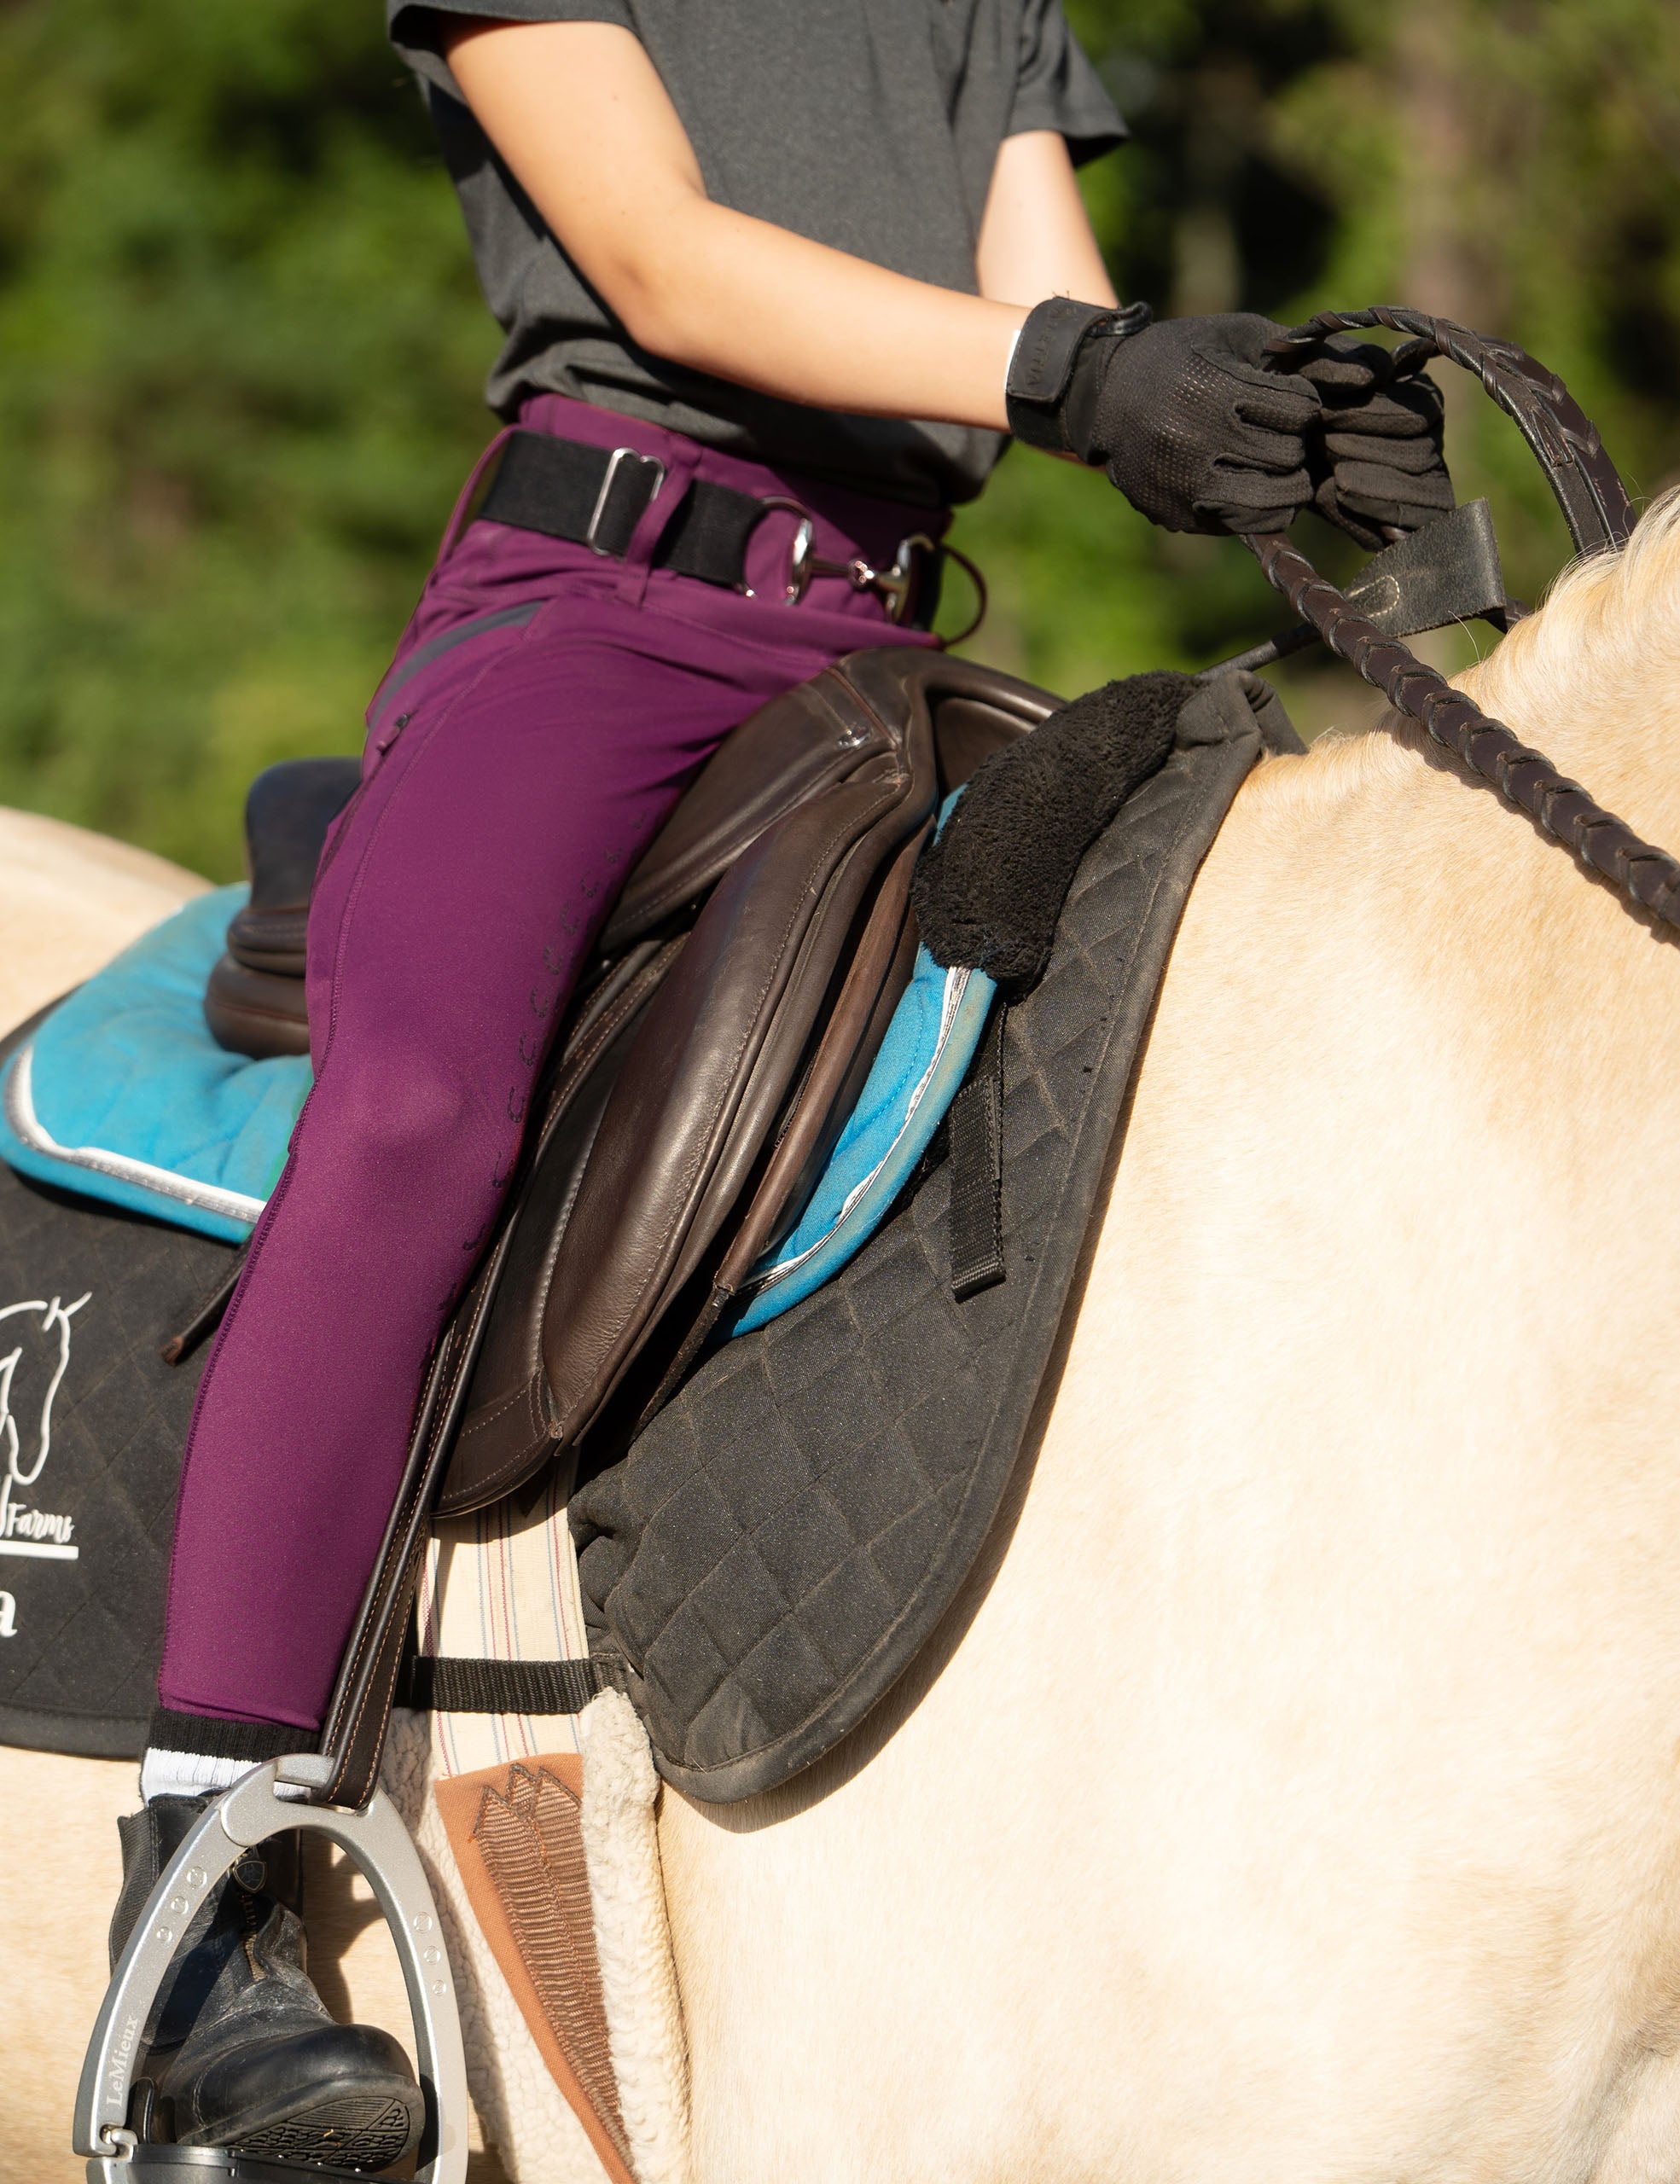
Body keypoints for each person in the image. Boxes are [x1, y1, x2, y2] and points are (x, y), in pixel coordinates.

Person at [98, 3, 1454, 2169]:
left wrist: (1251, 419)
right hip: (599, 615)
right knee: (425, 1102)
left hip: (887, 659)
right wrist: (1080, 374)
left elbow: (1052, 316)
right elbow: (657, 255)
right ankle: (200, 1903)